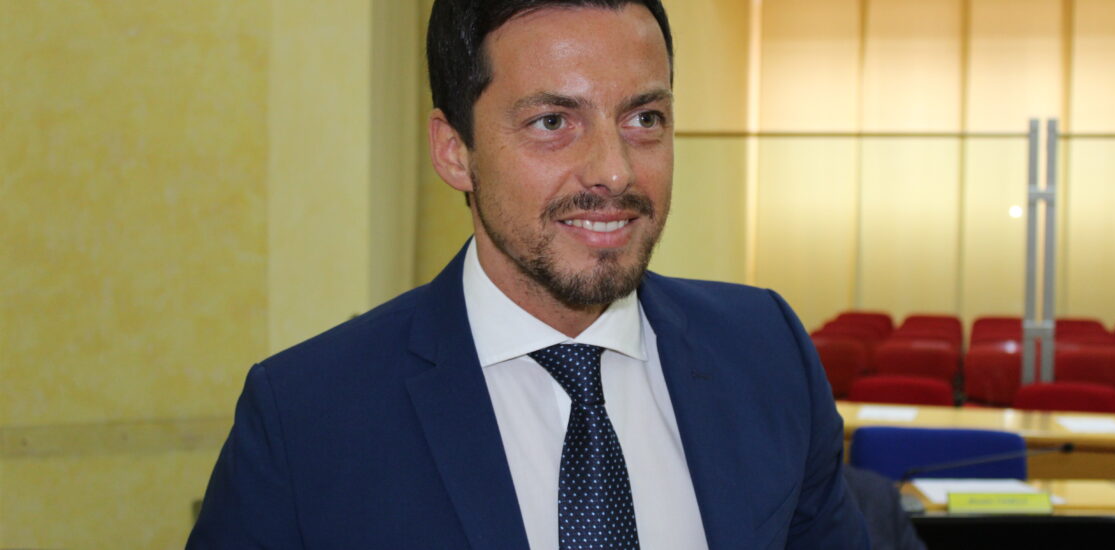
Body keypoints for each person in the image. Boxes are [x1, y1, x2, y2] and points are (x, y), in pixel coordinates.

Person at [188, 0, 869, 548]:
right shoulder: (308, 416)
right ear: (455, 152)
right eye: (552, 121)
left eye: (644, 118)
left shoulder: (766, 351)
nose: (614, 171)